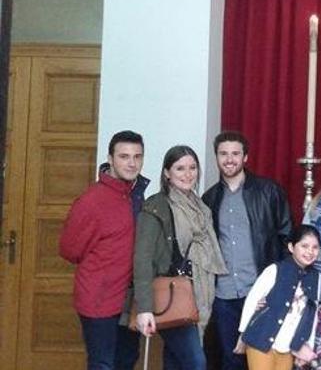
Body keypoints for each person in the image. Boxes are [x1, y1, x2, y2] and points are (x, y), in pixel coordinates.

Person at [202, 130, 293, 370]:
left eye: (235, 153)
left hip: (261, 292)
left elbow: (287, 239)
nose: (229, 159)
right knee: (231, 358)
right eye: (223, 154)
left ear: (245, 157)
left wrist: (281, 287)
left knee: (264, 356)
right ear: (216, 157)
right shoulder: (209, 199)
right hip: (224, 295)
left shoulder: (268, 191)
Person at [133, 145, 227, 370]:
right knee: (196, 362)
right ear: (167, 173)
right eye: (180, 168)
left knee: (175, 361)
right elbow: (142, 258)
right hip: (173, 295)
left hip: (198, 293)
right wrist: (144, 308)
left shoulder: (201, 207)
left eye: (192, 168)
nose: (188, 174)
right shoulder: (156, 206)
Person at [60, 130, 147, 370]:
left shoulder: (136, 195)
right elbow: (69, 249)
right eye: (124, 156)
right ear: (110, 159)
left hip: (129, 299)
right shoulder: (91, 201)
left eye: (137, 156)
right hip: (99, 298)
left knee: (126, 360)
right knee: (102, 363)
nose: (131, 163)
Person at [235, 225, 321, 370]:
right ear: (291, 247)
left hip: (288, 345)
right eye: (304, 246)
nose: (310, 251)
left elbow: (312, 314)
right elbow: (252, 300)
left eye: (315, 247)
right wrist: (243, 333)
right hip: (261, 338)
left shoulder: (317, 277)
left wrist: (308, 344)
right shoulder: (275, 270)